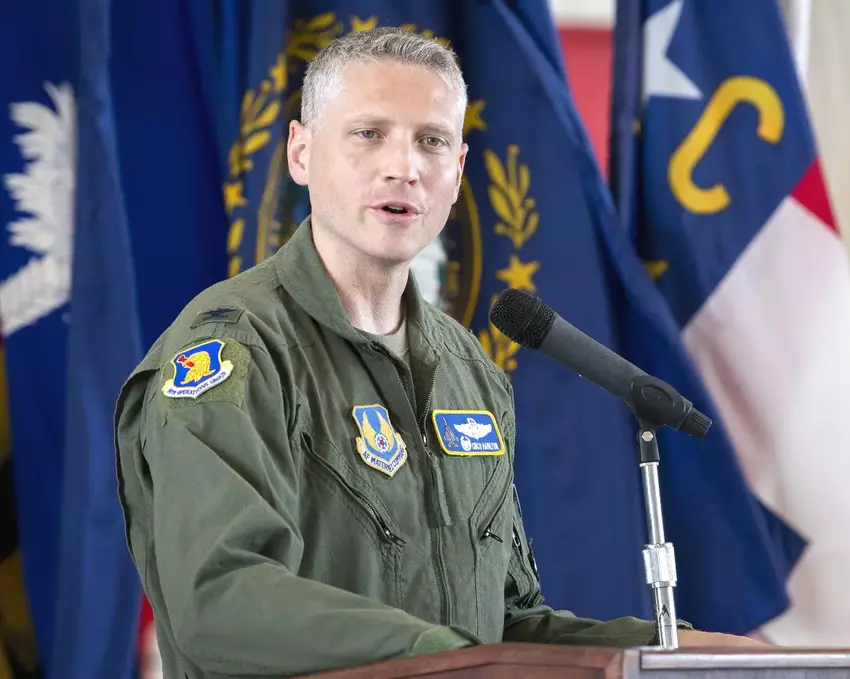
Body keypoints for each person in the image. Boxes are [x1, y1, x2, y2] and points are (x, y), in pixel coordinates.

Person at [114, 27, 762, 679]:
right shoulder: (234, 349)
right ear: (301, 153)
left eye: (432, 141)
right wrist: (449, 658)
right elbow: (221, 597)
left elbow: (506, 624)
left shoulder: (468, 370)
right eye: (369, 134)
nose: (405, 166)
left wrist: (666, 652)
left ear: (457, 171)